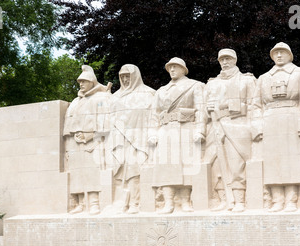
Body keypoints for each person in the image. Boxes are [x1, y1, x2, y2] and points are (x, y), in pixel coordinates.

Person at [252, 42, 300, 212]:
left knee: (292, 160)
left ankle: (291, 199)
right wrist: (257, 126)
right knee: (272, 160)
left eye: (282, 52)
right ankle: (277, 199)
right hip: (269, 119)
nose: (278, 56)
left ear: (289, 55)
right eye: (275, 53)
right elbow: (255, 105)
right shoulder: (263, 78)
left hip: (292, 116)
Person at [148, 57, 205, 214]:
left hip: (186, 128)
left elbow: (200, 109)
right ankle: (169, 203)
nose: (172, 70)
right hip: (166, 131)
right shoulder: (161, 91)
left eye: (175, 67)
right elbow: (154, 115)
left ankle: (186, 201)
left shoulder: (194, 86)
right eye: (170, 67)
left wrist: (200, 130)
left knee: (186, 166)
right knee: (166, 167)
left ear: (183, 69)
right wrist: (153, 133)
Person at [203, 49, 256, 212]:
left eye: (228, 59)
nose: (224, 62)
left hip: (238, 126)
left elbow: (255, 105)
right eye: (222, 59)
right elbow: (203, 111)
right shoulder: (212, 83)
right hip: (216, 126)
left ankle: (239, 200)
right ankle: (224, 199)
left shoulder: (246, 80)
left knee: (236, 164)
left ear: (235, 60)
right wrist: (207, 109)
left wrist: (236, 107)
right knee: (216, 166)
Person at [63, 65, 112, 215]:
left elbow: (106, 122)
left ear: (92, 81)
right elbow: (67, 124)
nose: (81, 84)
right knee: (76, 173)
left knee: (92, 172)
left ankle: (94, 203)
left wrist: (89, 136)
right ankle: (80, 203)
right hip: (74, 142)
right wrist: (67, 146)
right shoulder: (75, 102)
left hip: (93, 141)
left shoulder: (102, 98)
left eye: (84, 81)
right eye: (79, 82)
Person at [109, 64, 156, 213]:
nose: (125, 79)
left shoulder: (149, 94)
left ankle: (136, 203)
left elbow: (155, 117)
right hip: (119, 141)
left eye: (127, 76)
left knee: (135, 170)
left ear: (135, 76)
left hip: (140, 140)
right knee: (121, 172)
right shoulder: (114, 97)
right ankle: (122, 202)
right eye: (122, 76)